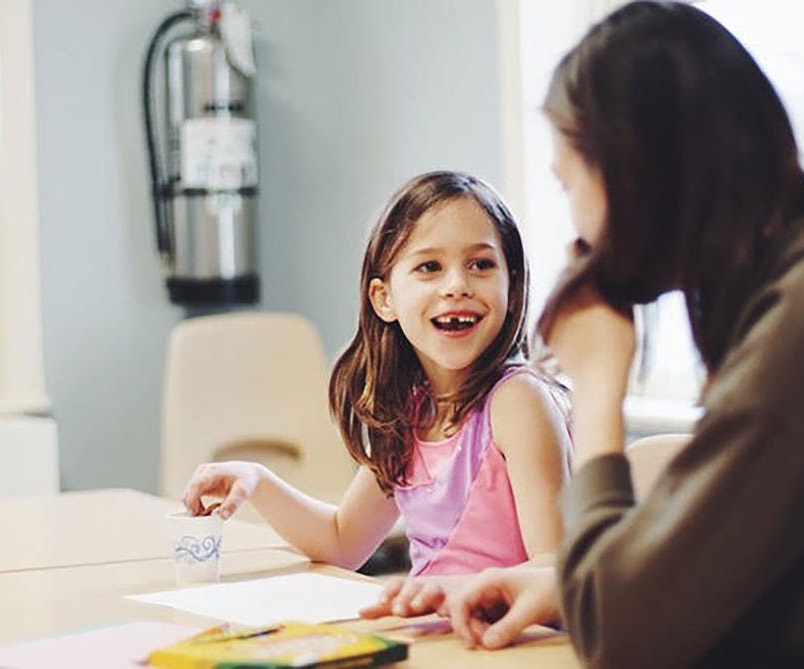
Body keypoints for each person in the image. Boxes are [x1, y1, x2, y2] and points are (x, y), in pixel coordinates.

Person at [364, 2, 804, 667]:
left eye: (570, 186)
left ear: (633, 172)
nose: (579, 232)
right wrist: (559, 581)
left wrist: (597, 387)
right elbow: (719, 567)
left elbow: (625, 634)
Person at [182, 170, 572, 580]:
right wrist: (258, 481)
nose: (457, 285)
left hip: (512, 641)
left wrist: (456, 595)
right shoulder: (412, 411)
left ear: (512, 287)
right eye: (429, 267)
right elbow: (342, 541)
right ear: (384, 299)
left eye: (481, 264)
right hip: (443, 637)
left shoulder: (518, 403)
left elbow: (555, 574)